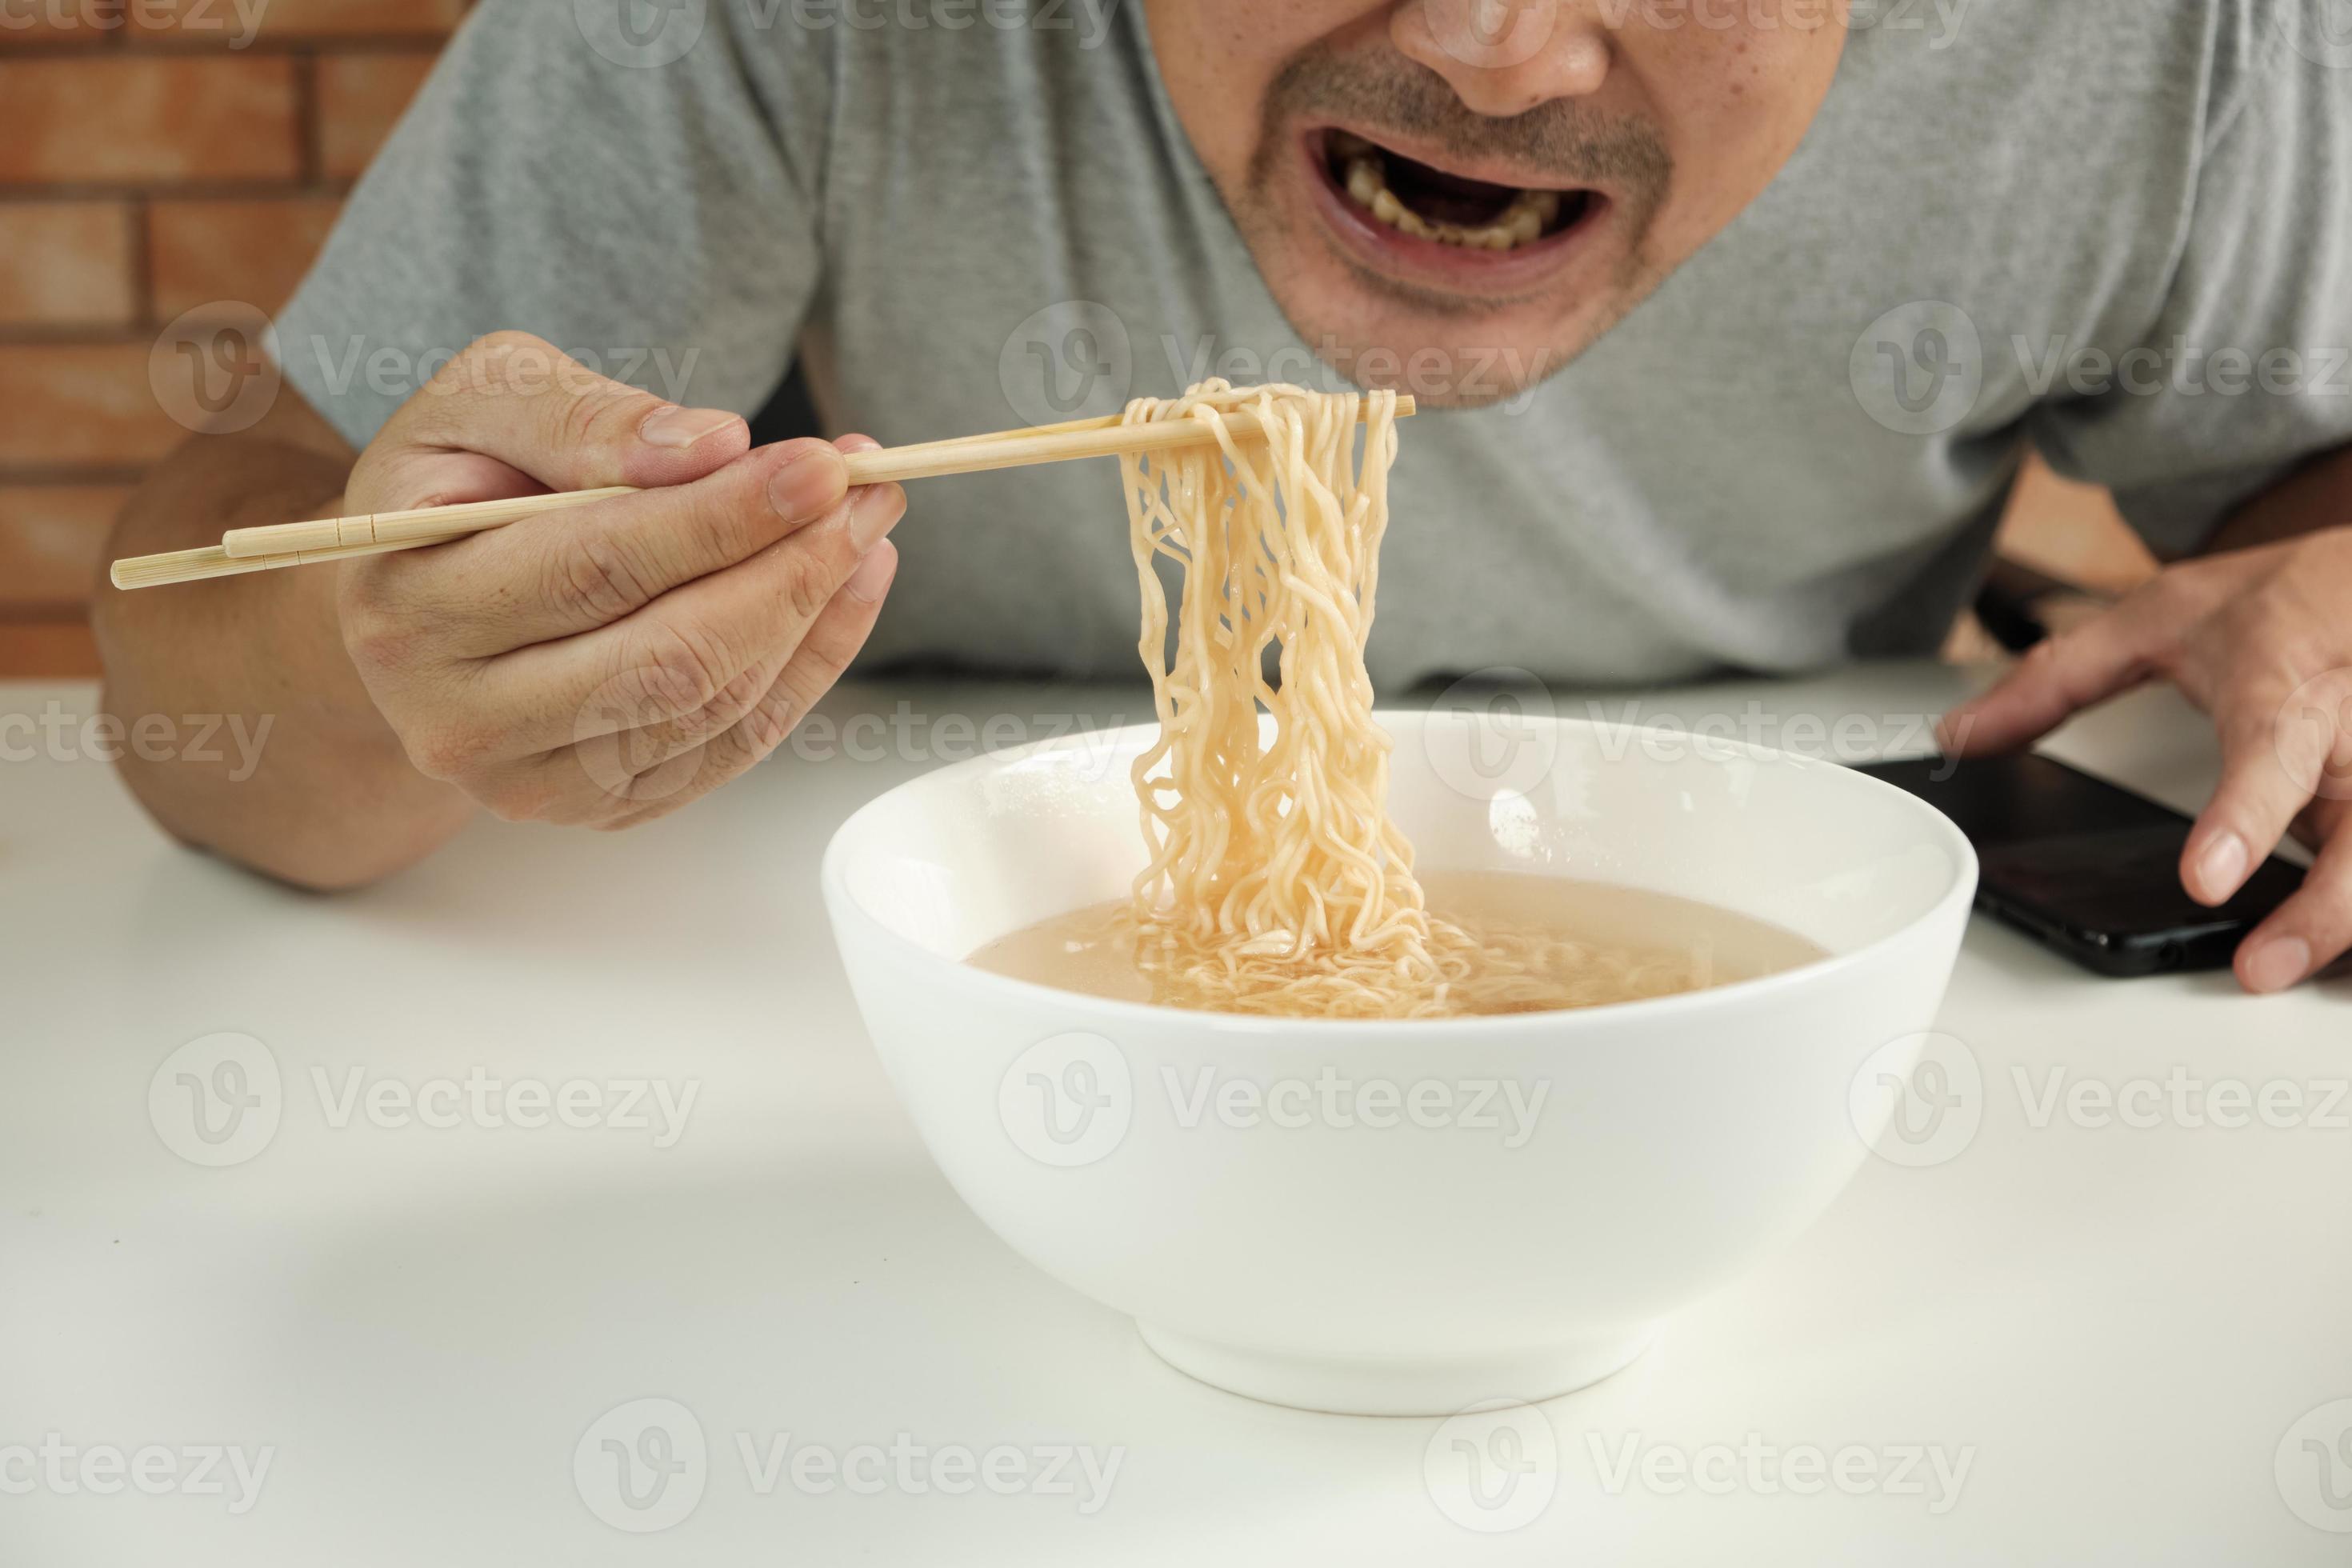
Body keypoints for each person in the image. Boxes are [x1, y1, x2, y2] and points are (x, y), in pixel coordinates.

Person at [95, 0, 2352, 991]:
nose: (1487, 50)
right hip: (870, 993)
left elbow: (2302, 483)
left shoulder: (2156, 37)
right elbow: (211, 610)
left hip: (1801, 960)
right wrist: (386, 671)